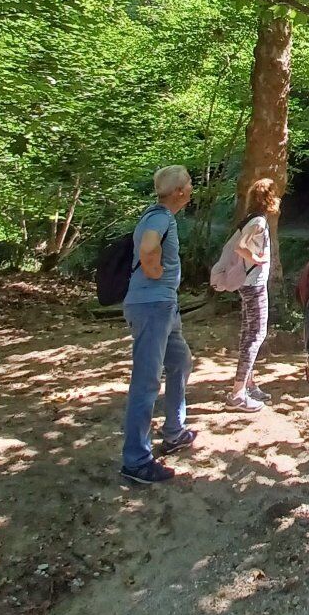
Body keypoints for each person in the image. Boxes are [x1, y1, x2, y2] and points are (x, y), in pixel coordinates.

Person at [120, 165, 197, 485]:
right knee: (147, 381)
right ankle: (136, 460)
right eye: (189, 183)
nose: (192, 187)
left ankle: (174, 432)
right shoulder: (160, 217)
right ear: (178, 191)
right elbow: (149, 248)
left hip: (164, 308)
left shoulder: (160, 216)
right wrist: (155, 272)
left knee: (180, 362)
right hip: (153, 307)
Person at [224, 178, 280, 413]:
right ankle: (238, 393)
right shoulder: (258, 221)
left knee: (249, 332)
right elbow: (240, 246)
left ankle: (248, 384)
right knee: (256, 334)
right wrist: (257, 259)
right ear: (268, 198)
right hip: (253, 285)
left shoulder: (254, 219)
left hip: (249, 284)